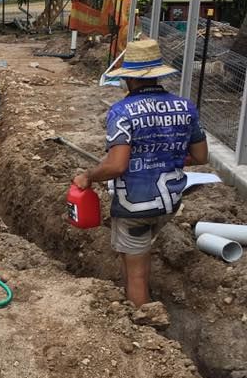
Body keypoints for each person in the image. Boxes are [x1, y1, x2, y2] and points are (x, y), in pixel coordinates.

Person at [72, 37, 208, 307]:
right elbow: (200, 156)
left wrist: (88, 176)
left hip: (135, 206)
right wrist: (165, 158)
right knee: (133, 255)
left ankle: (144, 327)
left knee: (136, 274)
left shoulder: (122, 111)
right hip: (169, 203)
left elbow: (117, 165)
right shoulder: (185, 107)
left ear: (129, 79)